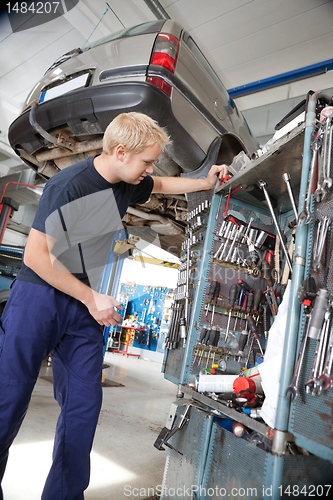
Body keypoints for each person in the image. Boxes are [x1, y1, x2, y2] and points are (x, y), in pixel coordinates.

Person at [0, 112, 227, 500]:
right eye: (146, 161)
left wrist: (204, 183)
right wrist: (91, 297)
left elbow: (163, 184)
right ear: (120, 152)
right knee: (7, 403)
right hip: (38, 299)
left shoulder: (127, 182)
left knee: (83, 409)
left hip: (81, 305)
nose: (150, 169)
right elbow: (37, 258)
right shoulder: (66, 186)